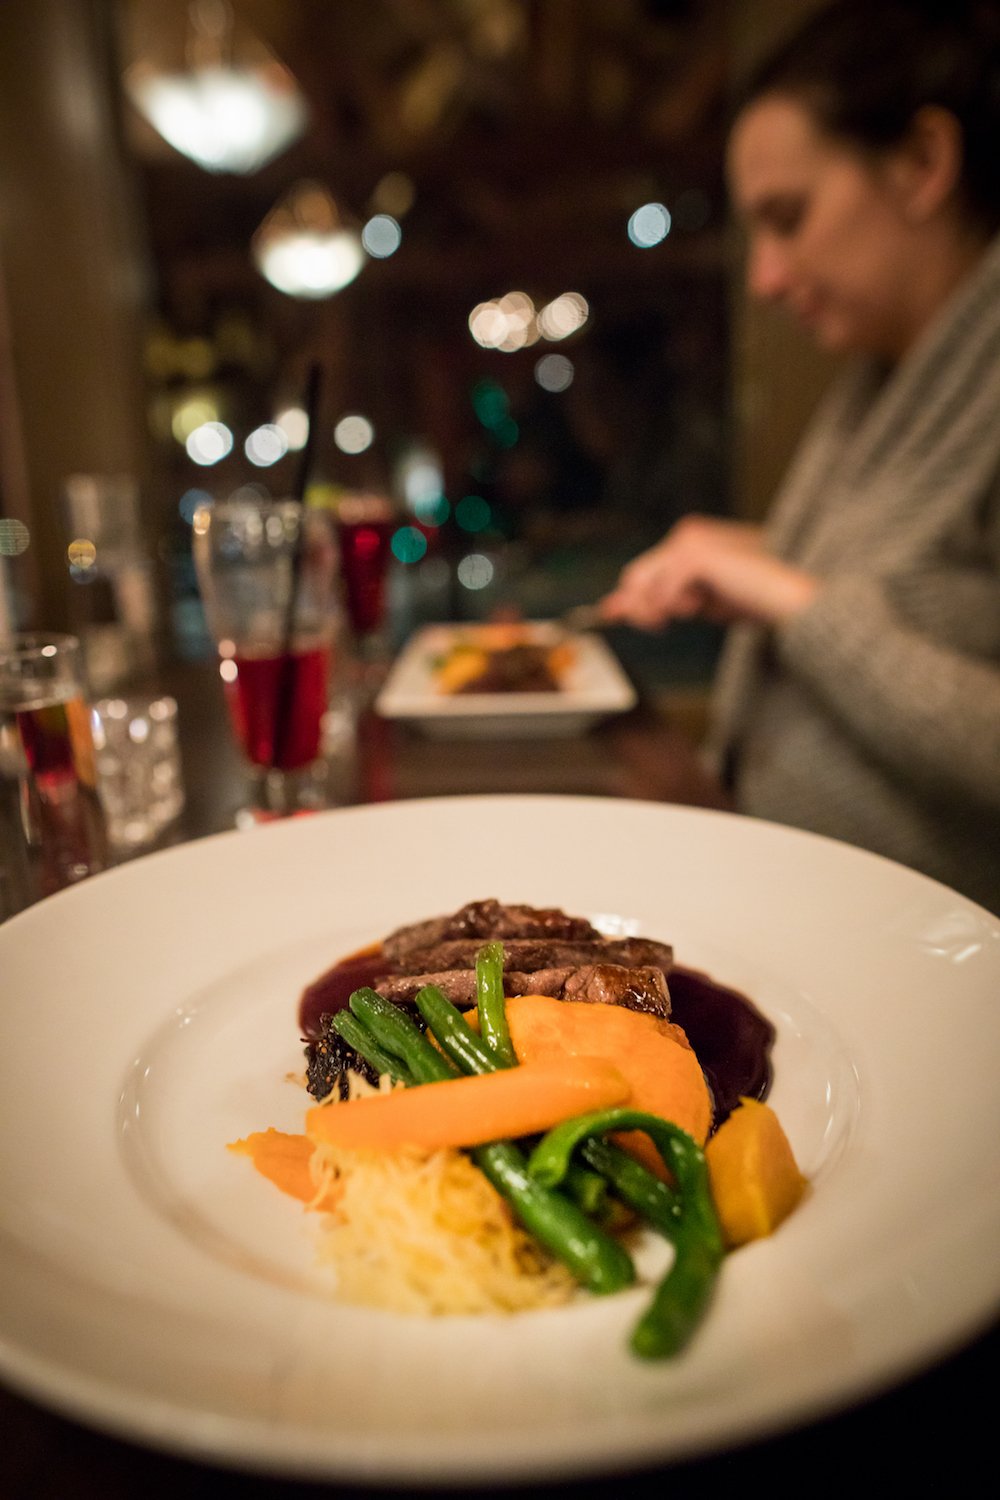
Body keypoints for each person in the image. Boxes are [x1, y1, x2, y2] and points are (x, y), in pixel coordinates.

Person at [600, 0, 1000, 915]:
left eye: (788, 218)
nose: (767, 278)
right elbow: (930, 586)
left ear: (922, 165)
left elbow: (831, 609)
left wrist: (785, 594)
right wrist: (751, 552)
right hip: (775, 885)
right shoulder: (888, 370)